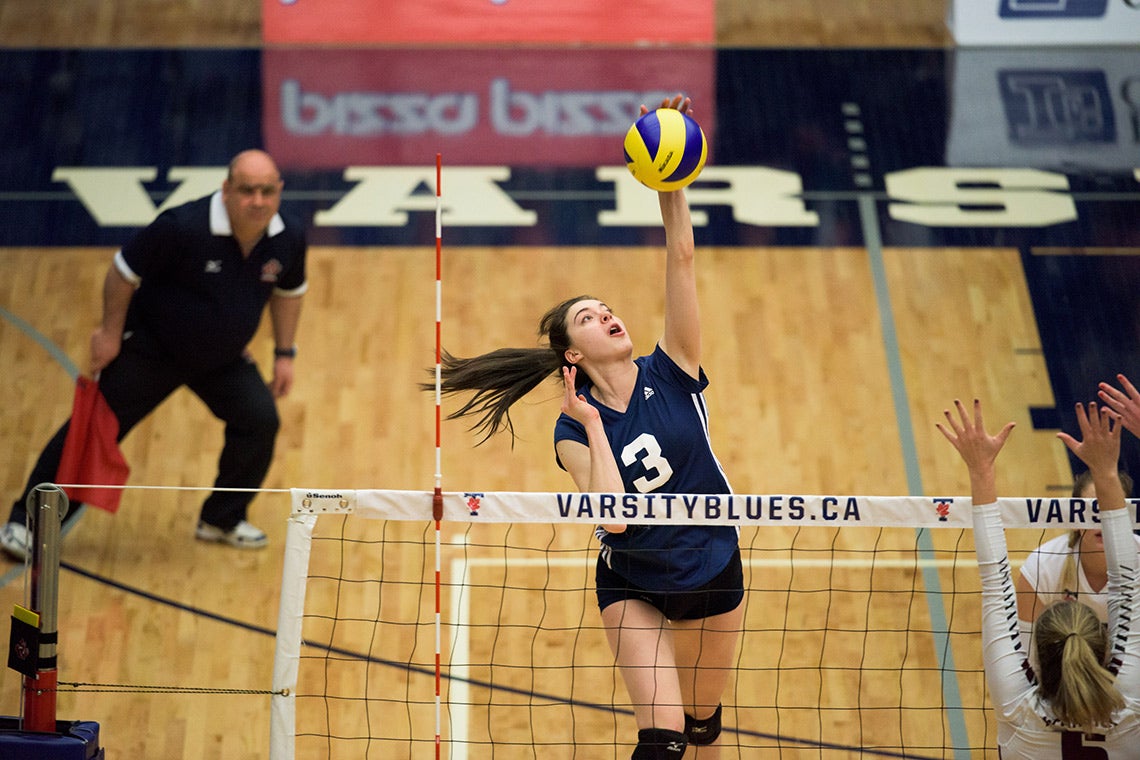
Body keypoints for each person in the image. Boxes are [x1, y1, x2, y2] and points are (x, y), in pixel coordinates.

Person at [432, 96, 742, 759]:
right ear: (573, 353)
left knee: (702, 727)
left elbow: (682, 257)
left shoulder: (674, 368)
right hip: (633, 580)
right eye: (588, 318)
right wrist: (595, 426)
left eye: (606, 309)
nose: (606, 316)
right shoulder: (572, 433)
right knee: (663, 742)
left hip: (712, 567)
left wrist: (671, 184)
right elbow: (616, 520)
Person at [0, 149, 308, 559]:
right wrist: (110, 334)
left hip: (221, 358)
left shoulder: (288, 236)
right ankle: (27, 524)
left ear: (279, 191)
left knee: (259, 420)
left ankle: (221, 518)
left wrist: (285, 353)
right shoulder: (182, 227)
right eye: (247, 190)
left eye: (267, 191)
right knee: (93, 429)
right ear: (226, 189)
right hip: (153, 350)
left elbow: (289, 292)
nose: (258, 201)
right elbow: (123, 272)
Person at [938, 398, 1140, 756]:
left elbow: (994, 583)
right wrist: (1107, 472)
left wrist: (980, 471)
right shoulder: (1131, 707)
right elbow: (1129, 586)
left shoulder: (1017, 710)